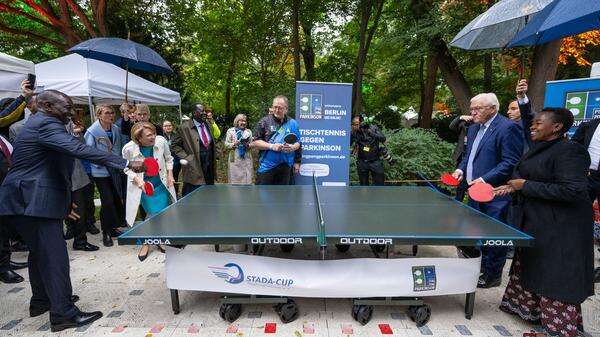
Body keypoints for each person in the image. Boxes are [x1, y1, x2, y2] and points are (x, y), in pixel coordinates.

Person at [0, 90, 145, 332]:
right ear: (46, 105)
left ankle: (42, 301)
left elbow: (51, 165)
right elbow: (79, 150)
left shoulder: (42, 123)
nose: (70, 112)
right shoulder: (46, 123)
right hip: (30, 200)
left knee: (40, 253)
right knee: (54, 256)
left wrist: (65, 202)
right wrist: (126, 163)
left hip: (29, 199)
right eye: (65, 107)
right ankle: (63, 314)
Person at [494, 82, 594, 337]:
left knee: (554, 275)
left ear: (557, 127)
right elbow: (536, 176)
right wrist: (513, 187)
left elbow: (573, 191)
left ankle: (559, 329)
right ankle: (529, 311)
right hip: (538, 222)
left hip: (562, 229)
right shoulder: (543, 145)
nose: (532, 126)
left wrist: (525, 185)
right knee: (532, 267)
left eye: (538, 123)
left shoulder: (571, 151)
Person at [452, 93, 523, 288]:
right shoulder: (474, 128)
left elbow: (510, 161)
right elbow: (469, 155)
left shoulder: (508, 128)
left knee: (495, 237)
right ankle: (481, 268)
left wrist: (484, 179)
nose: (472, 112)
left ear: (493, 109)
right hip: (474, 191)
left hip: (495, 193)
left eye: (478, 109)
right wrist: (460, 170)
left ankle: (493, 275)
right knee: (478, 233)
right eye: (472, 108)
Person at [122, 122, 176, 261]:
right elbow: (126, 168)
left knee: (161, 214)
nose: (153, 137)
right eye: (149, 135)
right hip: (144, 186)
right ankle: (147, 242)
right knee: (152, 213)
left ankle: (158, 240)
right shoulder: (128, 148)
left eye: (154, 133)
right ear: (139, 138)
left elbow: (169, 159)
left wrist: (170, 175)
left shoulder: (161, 141)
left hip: (161, 183)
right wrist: (138, 180)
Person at [84, 105, 126, 247]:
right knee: (107, 201)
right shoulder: (92, 131)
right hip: (100, 171)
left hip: (113, 169)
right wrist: (100, 163)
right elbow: (88, 152)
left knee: (115, 199)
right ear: (99, 115)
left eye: (112, 112)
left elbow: (118, 148)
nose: (110, 115)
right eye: (107, 113)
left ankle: (113, 228)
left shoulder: (115, 129)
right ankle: (106, 233)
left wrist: (117, 163)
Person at [251, 96, 301, 185]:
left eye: (280, 108)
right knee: (262, 197)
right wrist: (272, 146)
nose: (277, 110)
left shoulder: (293, 123)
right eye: (275, 107)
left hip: (286, 166)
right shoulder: (264, 122)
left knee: (282, 197)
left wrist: (292, 148)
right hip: (266, 167)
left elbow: (298, 143)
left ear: (286, 109)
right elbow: (255, 142)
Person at [65, 119, 98, 252]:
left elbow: (82, 148)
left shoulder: (71, 124)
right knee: (66, 207)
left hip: (76, 175)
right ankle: (70, 230)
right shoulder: (48, 126)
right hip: (57, 176)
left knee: (79, 208)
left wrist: (77, 134)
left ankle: (80, 240)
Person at [171, 103, 216, 195]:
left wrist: (216, 154)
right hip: (193, 165)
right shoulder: (184, 127)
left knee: (209, 192)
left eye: (205, 111)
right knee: (193, 193)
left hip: (209, 166)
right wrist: (187, 158)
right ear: (194, 113)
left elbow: (212, 142)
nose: (205, 113)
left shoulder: (208, 125)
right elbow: (174, 145)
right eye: (202, 111)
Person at [0, 133, 26, 284]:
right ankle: (3, 269)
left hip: (7, 188)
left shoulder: (2, 136)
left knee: (5, 229)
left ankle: (6, 261)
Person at [350, 115, 386, 186]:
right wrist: (352, 134)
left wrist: (372, 134)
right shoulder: (354, 133)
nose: (355, 126)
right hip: (362, 162)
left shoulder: (373, 128)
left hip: (375, 161)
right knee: (363, 185)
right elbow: (348, 144)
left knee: (379, 184)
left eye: (356, 124)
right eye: (353, 125)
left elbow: (383, 138)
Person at [449, 114, 473, 201]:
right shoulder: (464, 123)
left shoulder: (479, 125)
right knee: (459, 181)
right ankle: (458, 200)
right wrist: (460, 117)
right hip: (461, 155)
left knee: (469, 180)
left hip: (472, 156)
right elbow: (451, 126)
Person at [224, 114, 253, 184]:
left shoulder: (248, 132)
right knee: (235, 181)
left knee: (247, 181)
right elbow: (226, 144)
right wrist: (234, 144)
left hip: (246, 157)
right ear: (237, 121)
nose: (243, 123)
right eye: (241, 121)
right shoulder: (230, 131)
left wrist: (248, 145)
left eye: (245, 121)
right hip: (235, 157)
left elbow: (252, 144)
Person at [162, 120, 181, 193]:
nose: (168, 127)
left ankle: (175, 194)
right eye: (166, 126)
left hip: (175, 161)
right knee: (165, 178)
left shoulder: (177, 136)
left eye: (169, 125)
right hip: (164, 161)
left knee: (174, 178)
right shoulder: (160, 137)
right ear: (163, 127)